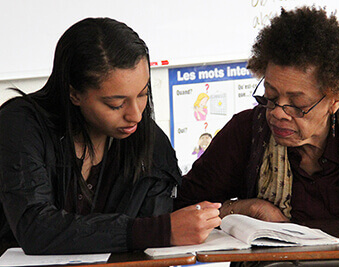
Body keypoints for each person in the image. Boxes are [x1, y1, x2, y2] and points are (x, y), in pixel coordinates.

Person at [0, 17, 221, 255]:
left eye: (142, 94)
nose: (135, 115)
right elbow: (35, 228)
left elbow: (159, 233)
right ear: (74, 93)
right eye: (116, 104)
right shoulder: (21, 124)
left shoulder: (149, 141)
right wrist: (154, 231)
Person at [175, 6, 339, 223]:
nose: (277, 113)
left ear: (335, 99)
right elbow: (183, 210)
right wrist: (245, 209)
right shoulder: (246, 132)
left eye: (297, 103)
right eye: (271, 97)